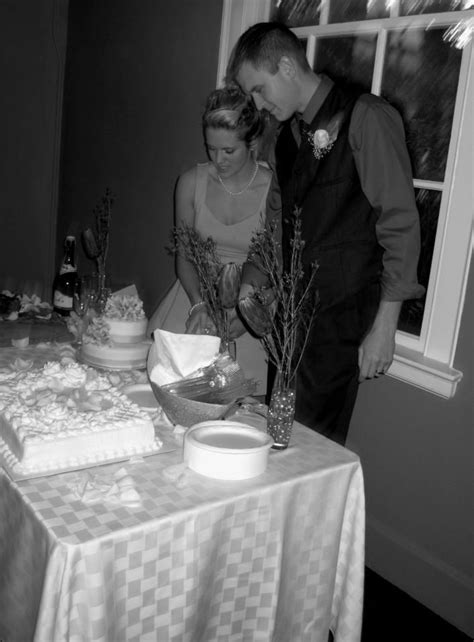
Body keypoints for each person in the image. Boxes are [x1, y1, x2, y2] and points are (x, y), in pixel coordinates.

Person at [227, 22, 425, 445]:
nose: (258, 104)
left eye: (259, 90)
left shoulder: (366, 116)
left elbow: (401, 223)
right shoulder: (283, 138)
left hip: (340, 318)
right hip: (292, 322)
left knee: (312, 447)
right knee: (280, 437)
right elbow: (275, 228)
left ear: (285, 66)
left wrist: (385, 327)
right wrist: (254, 283)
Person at [148, 85, 273, 395]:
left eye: (228, 150)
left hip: (247, 313)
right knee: (173, 397)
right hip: (193, 303)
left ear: (251, 142)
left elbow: (276, 267)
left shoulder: (274, 190)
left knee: (237, 411)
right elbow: (185, 256)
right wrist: (198, 306)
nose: (218, 159)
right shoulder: (190, 183)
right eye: (210, 148)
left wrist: (248, 315)